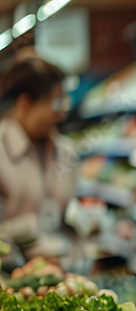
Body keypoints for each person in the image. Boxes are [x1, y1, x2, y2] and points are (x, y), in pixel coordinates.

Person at [0, 56, 76, 261]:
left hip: (63, 273)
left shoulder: (66, 151)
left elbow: (69, 212)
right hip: (12, 281)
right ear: (24, 103)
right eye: (54, 103)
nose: (60, 114)